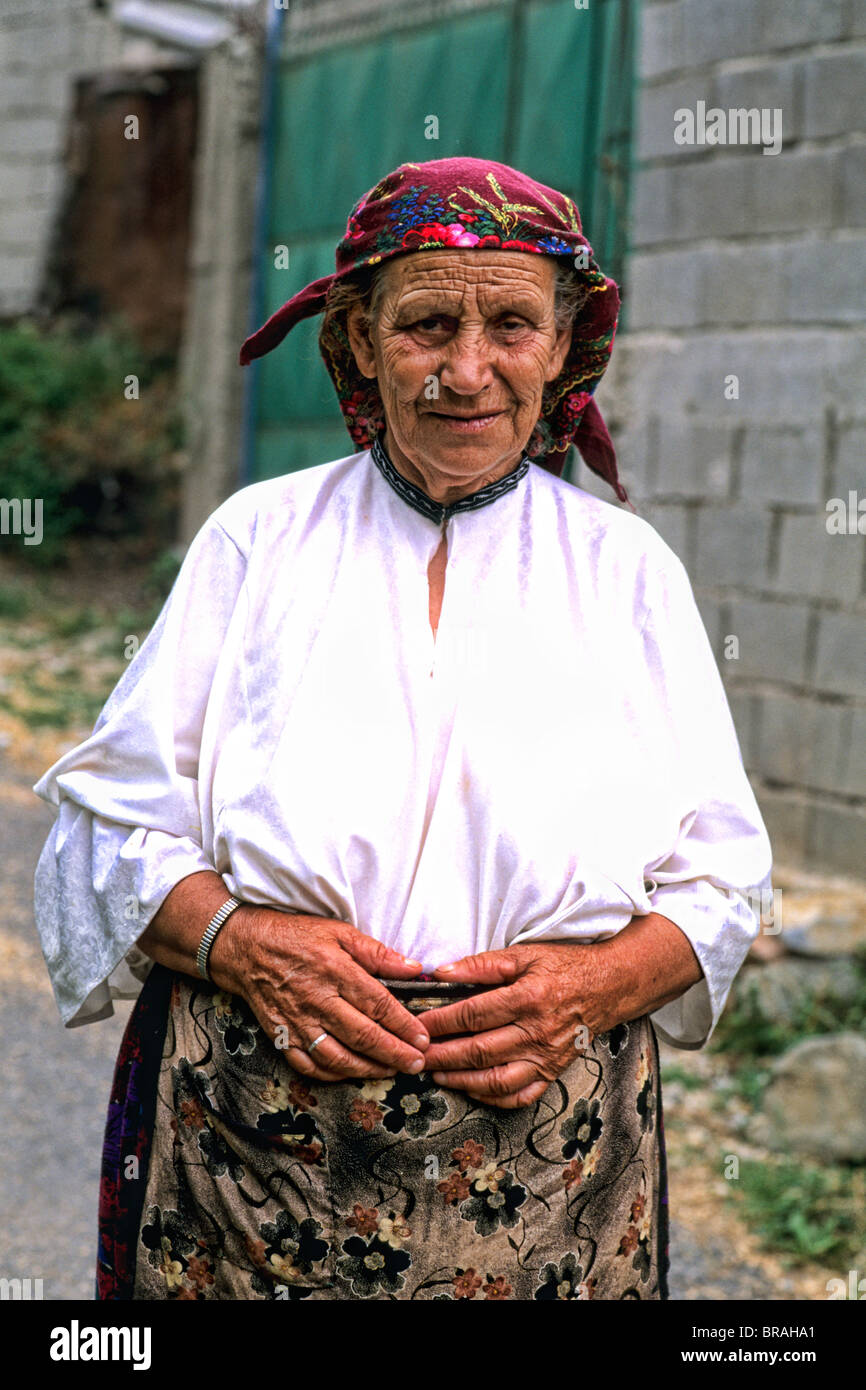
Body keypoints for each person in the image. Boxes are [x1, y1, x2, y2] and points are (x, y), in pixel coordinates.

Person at [33, 156, 772, 1301]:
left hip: (546, 1182)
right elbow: (104, 833)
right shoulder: (256, 541)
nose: (467, 371)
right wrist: (237, 941)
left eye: (512, 327)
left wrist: (586, 990)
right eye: (426, 323)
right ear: (361, 342)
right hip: (253, 1169)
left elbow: (722, 884)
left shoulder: (623, 570)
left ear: (564, 345)